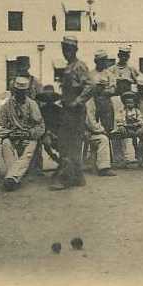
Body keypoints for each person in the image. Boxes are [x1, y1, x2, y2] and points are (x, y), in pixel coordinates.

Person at [50, 35, 93, 191]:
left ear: (75, 50)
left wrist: (78, 101)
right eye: (64, 49)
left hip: (75, 111)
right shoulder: (68, 67)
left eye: (68, 49)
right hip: (66, 109)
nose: (65, 52)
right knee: (67, 142)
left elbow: (90, 86)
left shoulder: (79, 66)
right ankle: (77, 176)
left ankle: (65, 178)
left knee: (69, 143)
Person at [0, 76, 45, 191]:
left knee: (29, 150)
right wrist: (9, 134)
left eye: (23, 91)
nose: (20, 94)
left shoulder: (32, 104)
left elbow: (40, 126)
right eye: (18, 91)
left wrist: (28, 133)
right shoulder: (6, 106)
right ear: (13, 91)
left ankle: (11, 177)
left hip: (28, 136)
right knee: (5, 144)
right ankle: (13, 177)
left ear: (27, 91)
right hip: (12, 136)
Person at [83, 87, 117, 177]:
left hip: (89, 130)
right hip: (82, 131)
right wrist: (101, 130)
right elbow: (91, 122)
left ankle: (102, 164)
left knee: (103, 137)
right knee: (103, 139)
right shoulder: (89, 102)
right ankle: (104, 168)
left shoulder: (100, 102)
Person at [114, 87, 143, 167]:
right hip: (127, 129)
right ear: (124, 103)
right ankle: (121, 158)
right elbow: (120, 120)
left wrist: (142, 127)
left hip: (136, 128)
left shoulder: (137, 111)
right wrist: (121, 126)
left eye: (131, 103)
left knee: (142, 135)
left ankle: (140, 155)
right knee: (117, 136)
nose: (129, 104)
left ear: (134, 103)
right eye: (127, 103)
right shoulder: (122, 111)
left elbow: (141, 120)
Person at [35, 85, 64, 174]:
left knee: (63, 144)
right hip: (45, 133)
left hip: (58, 133)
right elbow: (40, 124)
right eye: (47, 98)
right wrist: (47, 132)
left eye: (51, 98)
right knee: (46, 143)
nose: (49, 100)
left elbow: (61, 123)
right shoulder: (41, 110)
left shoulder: (59, 109)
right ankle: (55, 158)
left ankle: (62, 164)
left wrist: (56, 133)